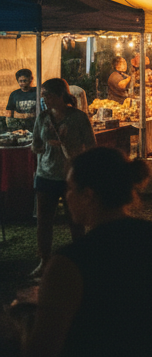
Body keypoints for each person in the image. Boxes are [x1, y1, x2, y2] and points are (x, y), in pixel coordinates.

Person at [20, 147, 152, 357]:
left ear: (88, 195)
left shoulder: (69, 262)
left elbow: (39, 356)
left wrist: (27, 321)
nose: (66, 197)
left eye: (70, 189)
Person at [30, 78, 96, 277]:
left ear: (61, 95)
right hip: (46, 175)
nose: (45, 100)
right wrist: (46, 145)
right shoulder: (42, 118)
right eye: (43, 96)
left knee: (75, 221)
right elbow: (35, 145)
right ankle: (44, 260)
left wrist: (76, 157)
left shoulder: (78, 118)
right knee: (44, 222)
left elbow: (91, 145)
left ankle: (81, 260)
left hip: (71, 177)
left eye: (48, 95)